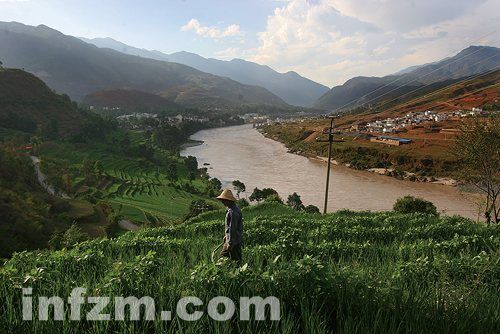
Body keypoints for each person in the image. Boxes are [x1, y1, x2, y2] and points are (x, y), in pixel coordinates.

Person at [216, 189, 243, 261]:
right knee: (236, 259)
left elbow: (232, 228)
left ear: (228, 200)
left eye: (224, 200)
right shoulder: (235, 209)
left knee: (223, 258)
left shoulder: (232, 212)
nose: (222, 202)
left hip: (233, 241)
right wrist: (226, 236)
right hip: (236, 240)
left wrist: (230, 243)